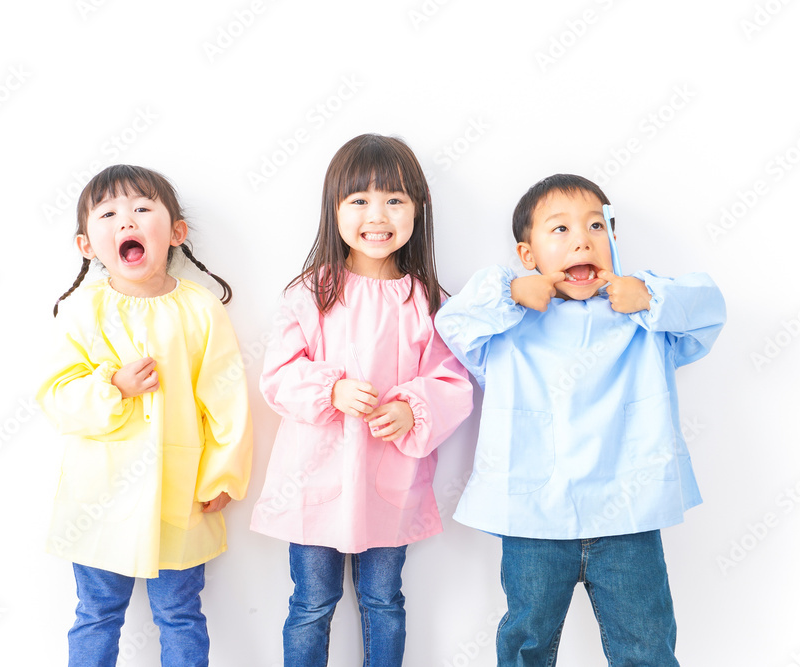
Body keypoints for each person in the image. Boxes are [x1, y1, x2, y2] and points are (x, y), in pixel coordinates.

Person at [435, 174, 726, 666]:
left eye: (596, 226)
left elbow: (708, 310)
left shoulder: (645, 317)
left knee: (647, 644)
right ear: (527, 254)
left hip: (628, 517)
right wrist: (511, 293)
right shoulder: (505, 321)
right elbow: (451, 324)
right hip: (533, 517)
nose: (582, 240)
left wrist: (649, 297)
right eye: (560, 229)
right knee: (526, 643)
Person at [250, 134, 473, 667]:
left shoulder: (429, 302)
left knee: (384, 601)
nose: (378, 215)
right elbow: (277, 376)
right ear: (334, 209)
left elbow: (452, 381)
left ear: (419, 208)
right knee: (311, 603)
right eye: (359, 200)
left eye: (394, 199)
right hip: (314, 480)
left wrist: (411, 409)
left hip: (389, 481)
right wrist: (330, 390)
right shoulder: (310, 293)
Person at [37, 164, 253, 667]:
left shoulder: (201, 310)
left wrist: (224, 474)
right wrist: (112, 386)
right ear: (86, 244)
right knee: (97, 612)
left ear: (176, 232)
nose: (126, 221)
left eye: (141, 208)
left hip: (180, 494)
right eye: (108, 214)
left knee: (180, 613)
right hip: (99, 495)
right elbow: (56, 396)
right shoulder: (82, 310)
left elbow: (226, 398)